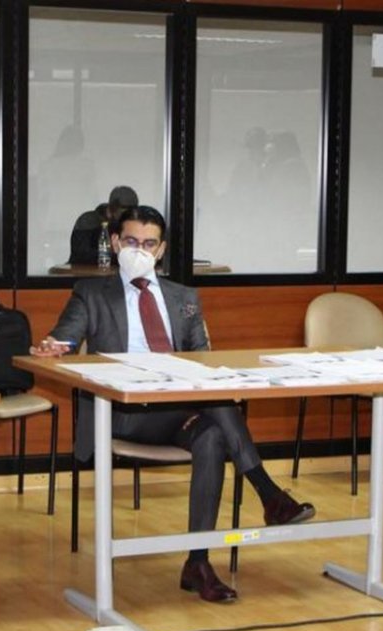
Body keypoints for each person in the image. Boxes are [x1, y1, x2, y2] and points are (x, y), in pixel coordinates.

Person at [32, 205, 315, 603]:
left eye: (149, 244)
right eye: (131, 242)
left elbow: (202, 361)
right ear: (115, 243)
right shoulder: (92, 293)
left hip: (176, 408)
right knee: (217, 407)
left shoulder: (184, 297)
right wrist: (52, 346)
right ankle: (268, 494)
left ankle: (197, 562)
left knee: (214, 434)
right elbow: (65, 337)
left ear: (161, 250)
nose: (139, 251)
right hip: (123, 412)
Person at [67, 185, 138, 266]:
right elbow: (81, 255)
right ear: (114, 207)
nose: (129, 215)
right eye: (126, 210)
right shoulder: (89, 221)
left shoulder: (127, 224)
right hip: (84, 273)